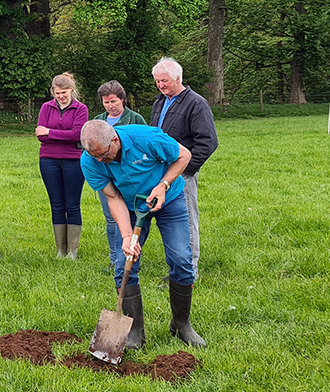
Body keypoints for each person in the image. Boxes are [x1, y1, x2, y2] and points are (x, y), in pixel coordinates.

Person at [79, 120, 206, 349]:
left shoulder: (146, 139)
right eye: (94, 156)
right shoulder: (89, 161)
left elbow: (184, 156)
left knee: (181, 259)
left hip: (169, 200)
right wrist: (127, 237)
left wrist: (163, 185)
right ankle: (135, 332)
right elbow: (113, 198)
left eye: (104, 155)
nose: (100, 161)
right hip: (130, 206)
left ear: (115, 140)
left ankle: (181, 324)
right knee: (123, 264)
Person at [149, 57, 218, 279]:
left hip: (182, 173)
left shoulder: (196, 103)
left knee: (186, 219)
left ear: (178, 78)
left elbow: (208, 142)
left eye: (165, 80)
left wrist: (187, 169)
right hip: (160, 172)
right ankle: (176, 269)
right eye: (158, 81)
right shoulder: (160, 102)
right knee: (170, 220)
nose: (161, 85)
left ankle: (189, 272)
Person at [93, 81, 147, 272]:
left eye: (113, 101)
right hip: (108, 178)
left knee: (133, 219)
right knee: (111, 218)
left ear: (122, 100)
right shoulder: (98, 121)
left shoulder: (135, 119)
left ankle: (133, 255)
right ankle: (115, 258)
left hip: (130, 178)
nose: (110, 106)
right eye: (106, 102)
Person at [36, 73, 89, 259]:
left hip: (73, 160)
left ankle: (73, 250)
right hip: (48, 160)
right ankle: (60, 249)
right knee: (56, 204)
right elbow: (39, 135)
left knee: (72, 205)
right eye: (57, 93)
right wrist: (59, 134)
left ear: (71, 90)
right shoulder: (46, 107)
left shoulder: (81, 109)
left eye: (64, 92)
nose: (61, 96)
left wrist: (50, 132)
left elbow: (77, 135)